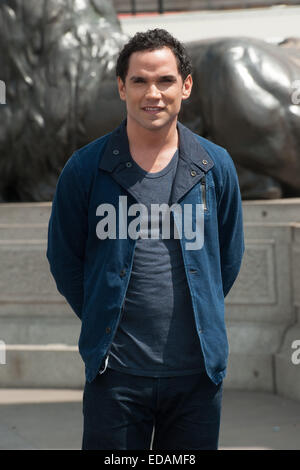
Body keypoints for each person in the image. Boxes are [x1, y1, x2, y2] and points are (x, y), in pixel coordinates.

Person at [46, 28, 245, 450]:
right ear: (121, 87)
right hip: (115, 377)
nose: (152, 93)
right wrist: (103, 310)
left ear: (186, 86)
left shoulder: (216, 166)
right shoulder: (85, 170)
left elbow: (227, 256)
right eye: (139, 81)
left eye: (165, 80)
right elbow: (64, 259)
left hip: (197, 378)